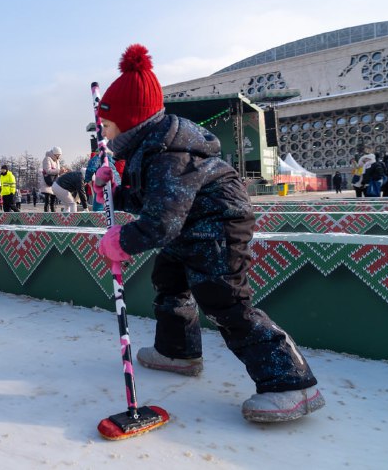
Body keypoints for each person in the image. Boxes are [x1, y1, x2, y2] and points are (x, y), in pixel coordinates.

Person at [93, 44, 323, 423]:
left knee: (225, 300)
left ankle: (291, 384)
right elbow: (158, 200)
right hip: (190, 226)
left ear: (130, 120)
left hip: (219, 226)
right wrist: (115, 191)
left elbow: (162, 221)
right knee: (169, 279)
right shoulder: (149, 147)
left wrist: (123, 241)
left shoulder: (169, 154)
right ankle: (178, 351)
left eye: (107, 121)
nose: (102, 128)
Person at [40, 147, 62, 212]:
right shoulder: (47, 159)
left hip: (54, 182)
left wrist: (62, 172)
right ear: (53, 154)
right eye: (57, 155)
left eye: (59, 155)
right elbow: (48, 171)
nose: (58, 157)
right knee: (47, 200)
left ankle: (53, 216)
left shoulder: (57, 161)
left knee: (53, 201)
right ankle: (46, 216)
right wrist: (59, 171)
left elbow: (57, 172)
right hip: (48, 182)